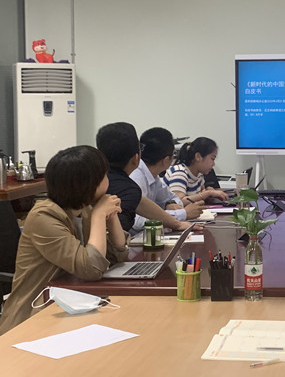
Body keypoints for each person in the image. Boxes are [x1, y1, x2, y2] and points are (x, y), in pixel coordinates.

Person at [0, 146, 129, 335]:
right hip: (30, 319)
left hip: (68, 309)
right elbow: (91, 268)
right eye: (104, 175)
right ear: (89, 184)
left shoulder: (83, 210)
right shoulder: (44, 217)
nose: (108, 179)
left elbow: (116, 256)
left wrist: (112, 215)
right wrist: (100, 215)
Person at [96, 122, 197, 234]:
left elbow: (142, 202)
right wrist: (181, 216)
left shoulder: (102, 179)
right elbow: (134, 222)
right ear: (136, 158)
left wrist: (176, 221)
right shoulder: (130, 186)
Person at [130, 127, 204, 235]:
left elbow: (172, 198)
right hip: (133, 239)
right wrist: (183, 214)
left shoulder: (153, 176)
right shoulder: (136, 177)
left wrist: (169, 204)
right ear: (166, 160)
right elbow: (136, 221)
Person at [163, 137, 229, 205]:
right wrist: (207, 193)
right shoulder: (179, 173)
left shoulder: (199, 175)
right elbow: (178, 202)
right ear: (198, 156)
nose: (213, 164)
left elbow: (200, 194)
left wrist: (208, 192)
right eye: (212, 159)